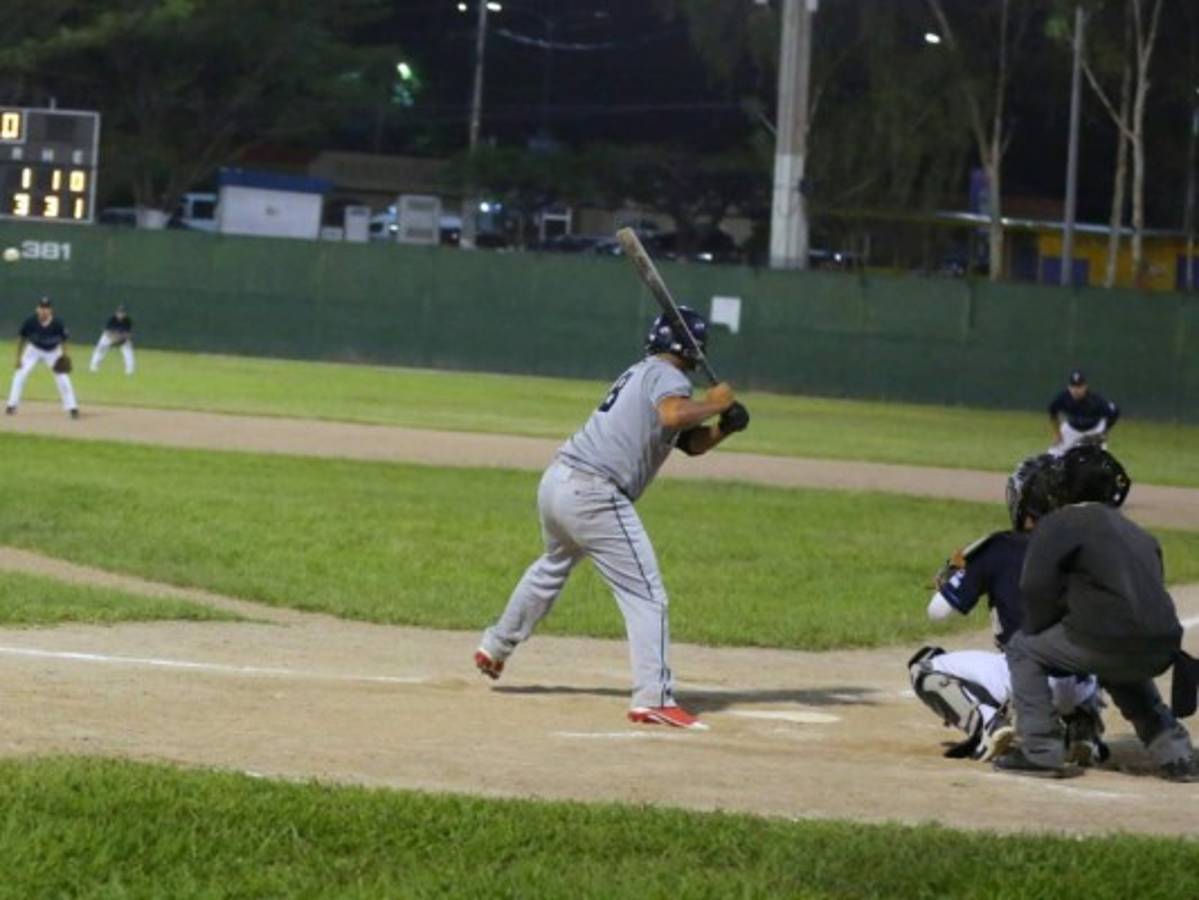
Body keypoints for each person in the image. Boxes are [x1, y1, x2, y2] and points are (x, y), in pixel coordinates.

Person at [474, 307, 750, 730]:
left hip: (559, 482)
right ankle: (654, 698)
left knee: (552, 566)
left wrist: (723, 427)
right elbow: (673, 415)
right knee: (646, 595)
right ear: (693, 349)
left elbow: (688, 443)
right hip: (594, 493)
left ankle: (496, 645)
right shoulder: (668, 376)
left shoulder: (644, 373)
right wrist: (713, 404)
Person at [993, 446, 1199, 780]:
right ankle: (1176, 754)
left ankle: (1040, 751)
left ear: (1067, 486)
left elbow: (1034, 590)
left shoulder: (1059, 522)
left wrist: (1041, 628)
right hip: (1165, 645)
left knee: (1023, 648)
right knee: (1118, 663)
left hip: (1107, 639)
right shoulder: (1138, 532)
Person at [908, 453, 1106, 765]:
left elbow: (938, 612)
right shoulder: (1087, 549)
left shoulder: (999, 546)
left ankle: (987, 723)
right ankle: (1084, 727)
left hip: (1025, 678)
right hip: (1083, 682)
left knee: (924, 668)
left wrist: (955, 575)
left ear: (1024, 503)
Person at [6, 297, 79, 419]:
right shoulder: (30, 322)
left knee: (63, 378)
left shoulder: (58, 323)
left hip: (53, 351)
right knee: (20, 373)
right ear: (37, 309)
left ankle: (72, 407)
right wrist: (18, 358)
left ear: (51, 310)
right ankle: (11, 405)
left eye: (46, 308)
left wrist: (64, 355)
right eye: (42, 307)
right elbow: (21, 340)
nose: (44, 310)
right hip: (33, 350)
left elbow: (64, 341)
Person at [1047, 370, 1119, 456]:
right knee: (1052, 455)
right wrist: (1058, 434)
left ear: (1085, 387)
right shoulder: (1063, 398)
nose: (1076, 390)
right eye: (1073, 386)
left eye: (1079, 386)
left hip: (1093, 430)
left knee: (1099, 459)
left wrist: (1105, 431)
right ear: (1069, 387)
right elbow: (1053, 412)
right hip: (1072, 428)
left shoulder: (1095, 400)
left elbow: (1114, 411)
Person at [89, 305, 135, 374]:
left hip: (122, 338)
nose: (120, 314)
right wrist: (114, 339)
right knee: (100, 349)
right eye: (119, 313)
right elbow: (107, 332)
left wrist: (122, 338)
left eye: (122, 313)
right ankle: (93, 366)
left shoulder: (127, 321)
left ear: (125, 314)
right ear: (116, 313)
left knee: (128, 350)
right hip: (108, 337)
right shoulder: (112, 319)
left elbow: (128, 334)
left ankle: (130, 370)